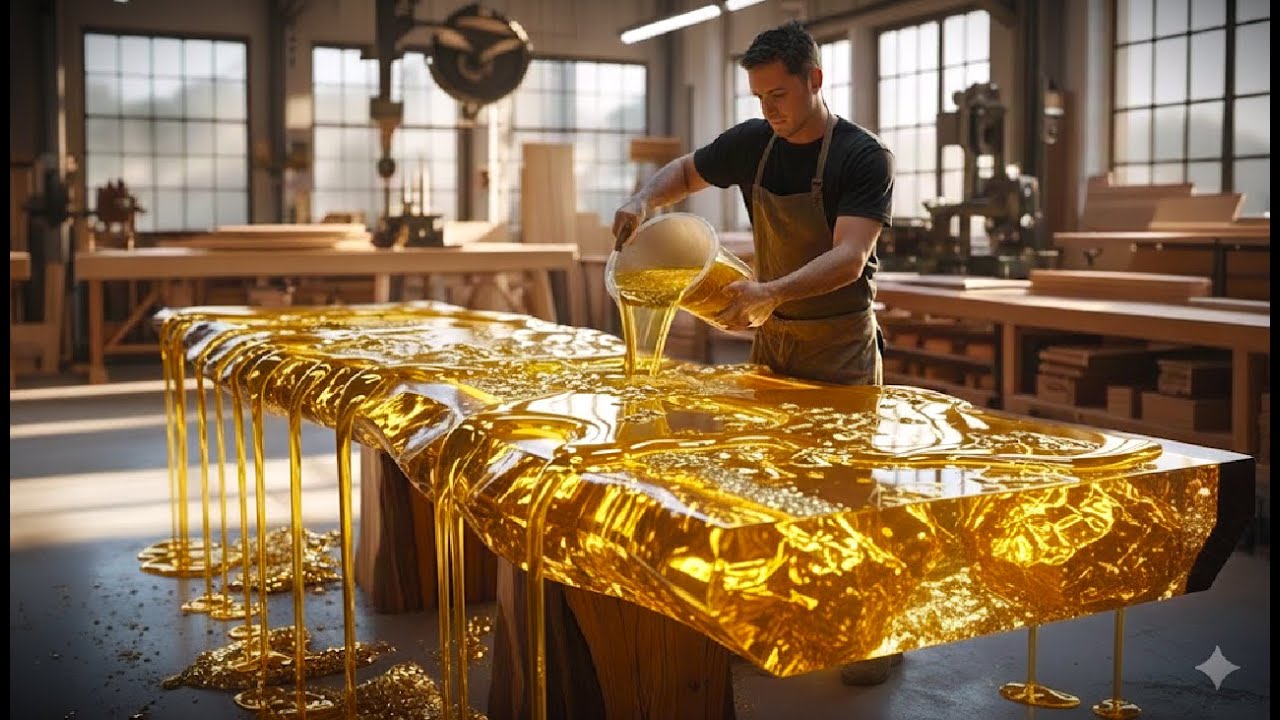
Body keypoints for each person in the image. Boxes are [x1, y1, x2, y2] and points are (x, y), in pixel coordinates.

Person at [611, 20, 901, 685]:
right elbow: (683, 174)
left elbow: (850, 259)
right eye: (759, 96)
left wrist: (770, 291)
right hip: (775, 344)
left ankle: (871, 636)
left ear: (814, 81)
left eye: (779, 95)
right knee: (775, 487)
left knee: (847, 494)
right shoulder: (755, 143)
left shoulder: (863, 157)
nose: (769, 110)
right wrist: (642, 199)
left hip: (839, 348)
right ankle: (784, 622)